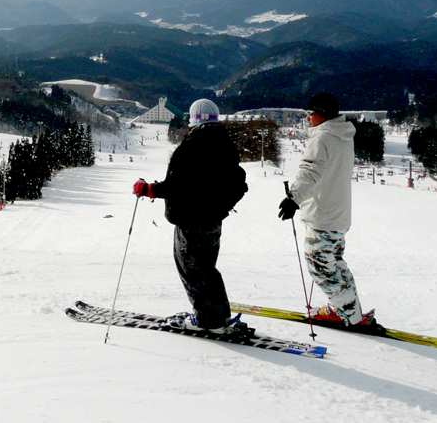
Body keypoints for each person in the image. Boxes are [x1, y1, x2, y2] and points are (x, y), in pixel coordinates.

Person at [133, 99, 250, 336]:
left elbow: (177, 186)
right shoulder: (224, 144)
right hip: (212, 220)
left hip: (191, 220)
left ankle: (210, 321)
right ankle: (218, 315)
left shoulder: (192, 146)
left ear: (193, 120)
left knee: (193, 271)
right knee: (207, 270)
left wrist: (148, 190)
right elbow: (239, 184)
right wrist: (224, 207)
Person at [278, 92, 370, 327]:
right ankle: (347, 309)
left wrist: (294, 199)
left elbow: (310, 171)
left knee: (321, 270)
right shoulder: (343, 136)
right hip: (337, 215)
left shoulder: (322, 139)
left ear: (324, 114)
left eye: (312, 113)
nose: (308, 118)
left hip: (322, 216)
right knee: (335, 264)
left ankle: (348, 314)